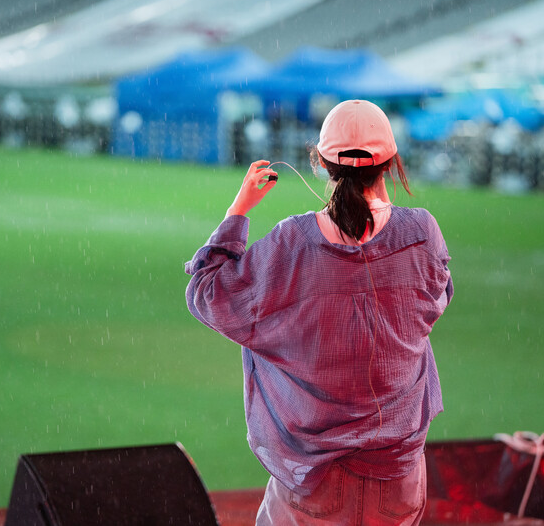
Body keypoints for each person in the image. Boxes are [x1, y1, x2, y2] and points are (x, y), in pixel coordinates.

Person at [185, 99, 453, 525]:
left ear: (321, 164)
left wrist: (238, 211)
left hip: (316, 483)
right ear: (390, 163)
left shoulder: (293, 242)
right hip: (399, 480)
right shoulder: (422, 232)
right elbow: (434, 299)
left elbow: (209, 292)